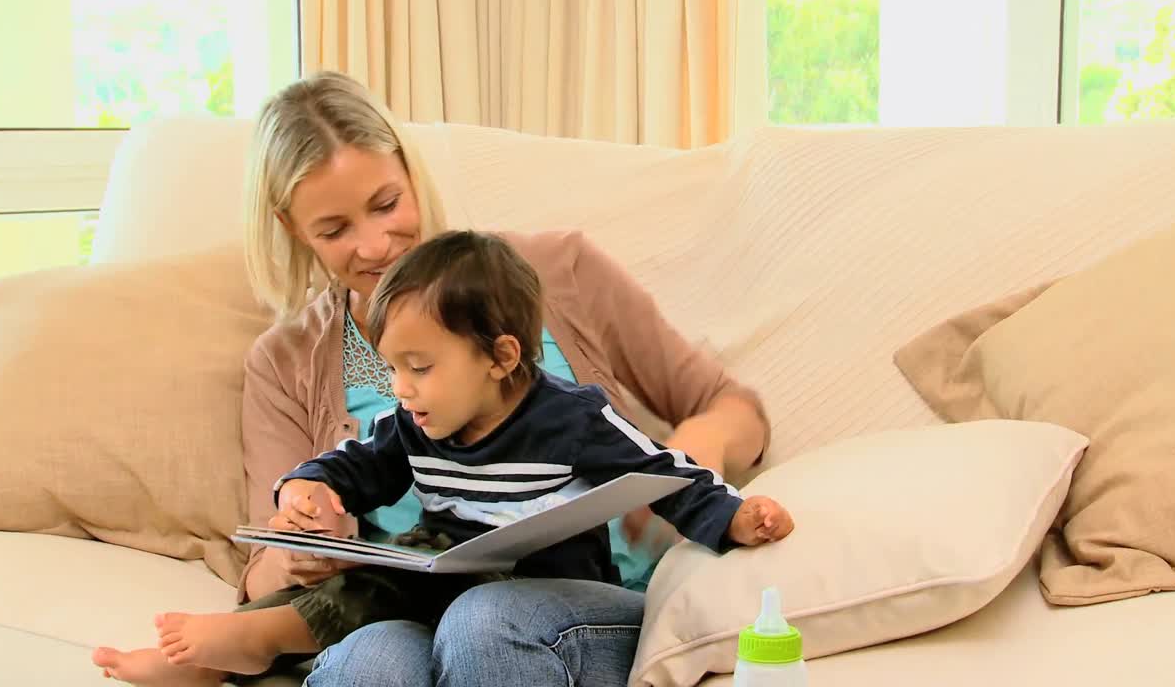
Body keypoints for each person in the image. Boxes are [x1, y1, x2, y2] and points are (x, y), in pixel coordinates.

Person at [92, 70, 772, 687]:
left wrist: (680, 467)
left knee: (484, 620)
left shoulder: (557, 273)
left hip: (575, 594)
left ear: (412, 174)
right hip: (402, 605)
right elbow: (272, 555)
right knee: (369, 663)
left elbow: (730, 408)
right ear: (291, 229)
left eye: (387, 204)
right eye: (334, 229)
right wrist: (310, 542)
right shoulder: (285, 361)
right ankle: (237, 654)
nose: (375, 246)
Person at [148, 230, 793, 678]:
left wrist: (734, 517)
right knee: (386, 592)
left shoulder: (571, 417)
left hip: (551, 599)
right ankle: (248, 648)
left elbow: (664, 474)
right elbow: (351, 466)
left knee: (456, 606)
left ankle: (262, 644)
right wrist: (307, 490)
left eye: (420, 368)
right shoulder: (414, 424)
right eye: (392, 368)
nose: (400, 389)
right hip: (448, 585)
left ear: (500, 358)